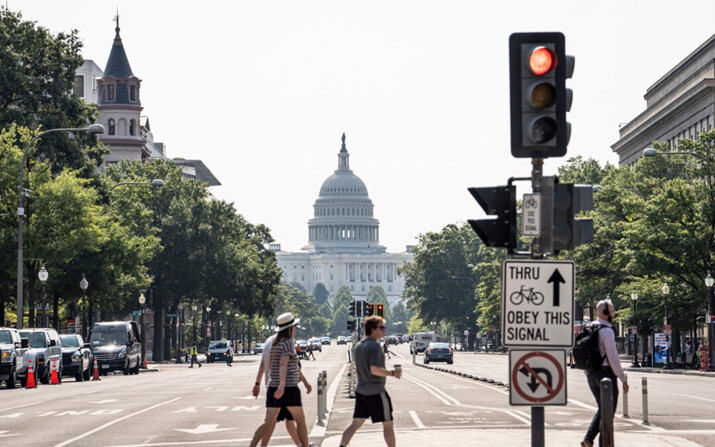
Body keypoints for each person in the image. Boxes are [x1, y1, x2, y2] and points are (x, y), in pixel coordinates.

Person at [339, 315, 402, 447]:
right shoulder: (374, 346)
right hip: (376, 391)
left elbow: (356, 369)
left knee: (355, 423)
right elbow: (374, 369)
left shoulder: (359, 346)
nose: (384, 330)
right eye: (381, 327)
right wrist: (392, 373)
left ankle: (342, 445)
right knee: (388, 423)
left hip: (361, 391)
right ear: (373, 329)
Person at [252, 313, 312, 447]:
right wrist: (283, 385)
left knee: (269, 422)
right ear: (290, 328)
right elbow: (283, 364)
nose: (296, 328)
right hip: (288, 388)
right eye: (295, 326)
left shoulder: (274, 343)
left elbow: (278, 364)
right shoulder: (288, 343)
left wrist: (305, 381)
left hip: (273, 386)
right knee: (300, 421)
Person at [581, 300, 629, 447]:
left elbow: (583, 353)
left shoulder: (588, 328)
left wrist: (588, 373)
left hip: (591, 374)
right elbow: (613, 358)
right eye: (612, 311)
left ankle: (589, 439)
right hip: (606, 374)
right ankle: (603, 444)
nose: (613, 314)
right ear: (606, 313)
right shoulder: (607, 331)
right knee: (608, 412)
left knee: (602, 409)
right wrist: (623, 379)